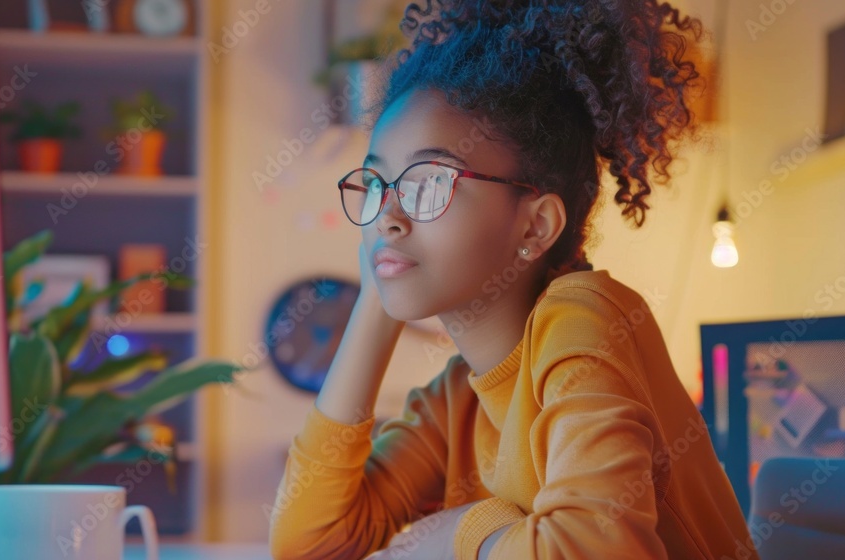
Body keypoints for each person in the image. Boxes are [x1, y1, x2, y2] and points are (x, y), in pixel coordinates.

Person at [268, 0, 754, 558]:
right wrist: (373, 307)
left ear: (536, 223)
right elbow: (308, 543)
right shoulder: (458, 399)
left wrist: (455, 533)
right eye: (377, 184)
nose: (388, 216)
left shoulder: (585, 320)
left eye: (428, 182)